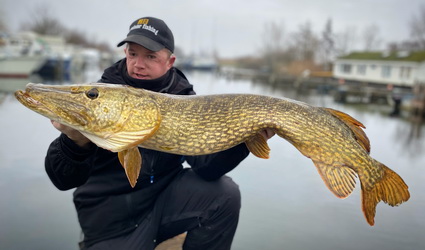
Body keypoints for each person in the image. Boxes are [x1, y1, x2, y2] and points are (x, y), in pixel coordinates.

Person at [45, 17, 274, 250]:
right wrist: (74, 142)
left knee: (225, 193)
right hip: (110, 224)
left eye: (150, 56)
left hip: (163, 204)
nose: (138, 64)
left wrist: (244, 141)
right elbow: (63, 180)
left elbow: (207, 168)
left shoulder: (183, 98)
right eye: (132, 54)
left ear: (170, 61)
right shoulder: (99, 98)